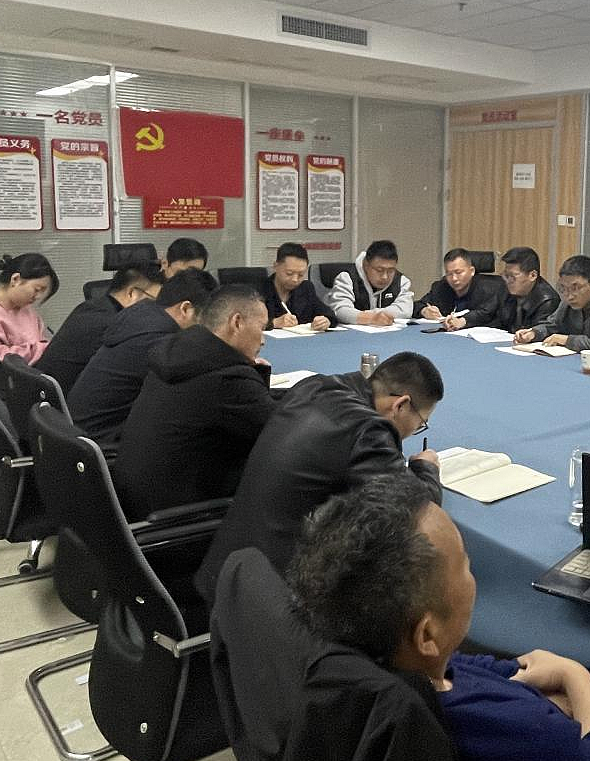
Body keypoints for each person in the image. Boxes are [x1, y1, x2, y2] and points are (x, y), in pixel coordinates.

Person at [286, 477, 590, 761]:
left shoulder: (367, 668)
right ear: (427, 635)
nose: (472, 576)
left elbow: (478, 669)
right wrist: (575, 676)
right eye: (465, 564)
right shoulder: (516, 730)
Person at [194, 351, 444, 605]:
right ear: (400, 405)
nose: (415, 431)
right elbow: (417, 511)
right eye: (420, 423)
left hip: (225, 572)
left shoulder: (313, 386)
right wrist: (426, 469)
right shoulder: (368, 430)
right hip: (273, 602)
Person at [114, 284, 274, 519]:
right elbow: (280, 432)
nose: (263, 340)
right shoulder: (228, 380)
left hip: (133, 508)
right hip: (181, 522)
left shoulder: (178, 354)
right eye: (261, 328)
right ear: (237, 322)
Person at [69, 268, 217, 446]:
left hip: (79, 431)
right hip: (102, 442)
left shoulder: (140, 315)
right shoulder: (160, 340)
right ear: (185, 309)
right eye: (205, 321)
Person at [35, 262, 162, 395]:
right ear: (132, 293)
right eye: (155, 301)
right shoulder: (115, 326)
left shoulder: (90, 307)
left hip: (47, 397)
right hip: (66, 401)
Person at [327, 239, 414, 326]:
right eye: (379, 270)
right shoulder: (347, 277)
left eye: (390, 271)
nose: (385, 277)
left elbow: (405, 310)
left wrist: (372, 315)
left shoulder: (401, 281)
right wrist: (371, 318)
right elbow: (340, 311)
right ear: (366, 265)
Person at [415, 249, 504, 331]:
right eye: (449, 274)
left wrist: (462, 321)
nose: (454, 278)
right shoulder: (441, 287)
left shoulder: (490, 288)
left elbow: (485, 313)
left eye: (458, 272)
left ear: (472, 271)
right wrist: (424, 311)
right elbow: (417, 305)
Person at [260, 242, 332, 331]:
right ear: (275, 266)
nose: (295, 279)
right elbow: (247, 323)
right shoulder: (258, 290)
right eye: (289, 273)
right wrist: (274, 323)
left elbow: (328, 313)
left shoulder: (306, 288)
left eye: (301, 275)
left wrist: (325, 321)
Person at [492, 246, 559, 333]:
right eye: (506, 275)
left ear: (532, 275)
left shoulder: (547, 301)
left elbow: (537, 334)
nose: (508, 281)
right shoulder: (507, 289)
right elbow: (492, 317)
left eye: (512, 276)